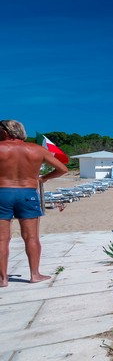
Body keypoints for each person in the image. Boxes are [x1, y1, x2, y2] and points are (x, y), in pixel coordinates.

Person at [0, 119, 68, 286]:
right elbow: (63, 169)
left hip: (2, 193)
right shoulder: (37, 149)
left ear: (5, 132)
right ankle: (35, 274)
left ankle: (2, 279)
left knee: (2, 239)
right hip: (27, 194)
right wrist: (43, 178)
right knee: (31, 237)